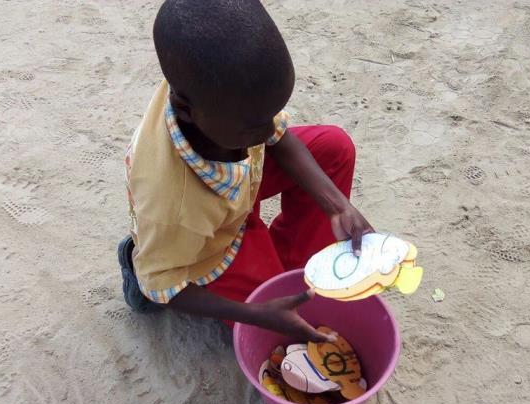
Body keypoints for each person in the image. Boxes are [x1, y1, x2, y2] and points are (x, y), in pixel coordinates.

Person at [118, 0, 373, 342]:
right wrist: (255, 314)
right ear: (186, 109)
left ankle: (292, 268)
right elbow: (161, 284)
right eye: (255, 126)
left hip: (232, 190)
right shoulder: (173, 206)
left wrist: (337, 205)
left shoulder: (225, 102)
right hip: (207, 246)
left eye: (273, 113)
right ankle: (143, 258)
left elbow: (275, 134)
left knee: (334, 149)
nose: (268, 130)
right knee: (281, 330)